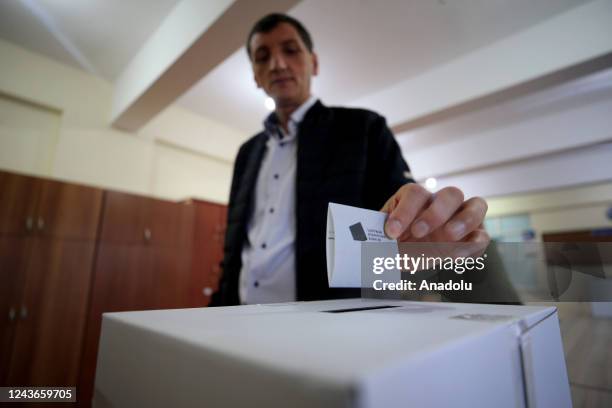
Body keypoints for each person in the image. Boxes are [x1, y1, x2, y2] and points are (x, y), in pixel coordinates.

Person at [210, 13, 489, 306]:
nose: (277, 64)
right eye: (263, 56)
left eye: (290, 50)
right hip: (238, 318)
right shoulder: (247, 152)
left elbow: (402, 225)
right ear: (255, 75)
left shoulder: (364, 129)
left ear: (314, 63)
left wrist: (431, 225)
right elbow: (234, 250)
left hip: (328, 325)